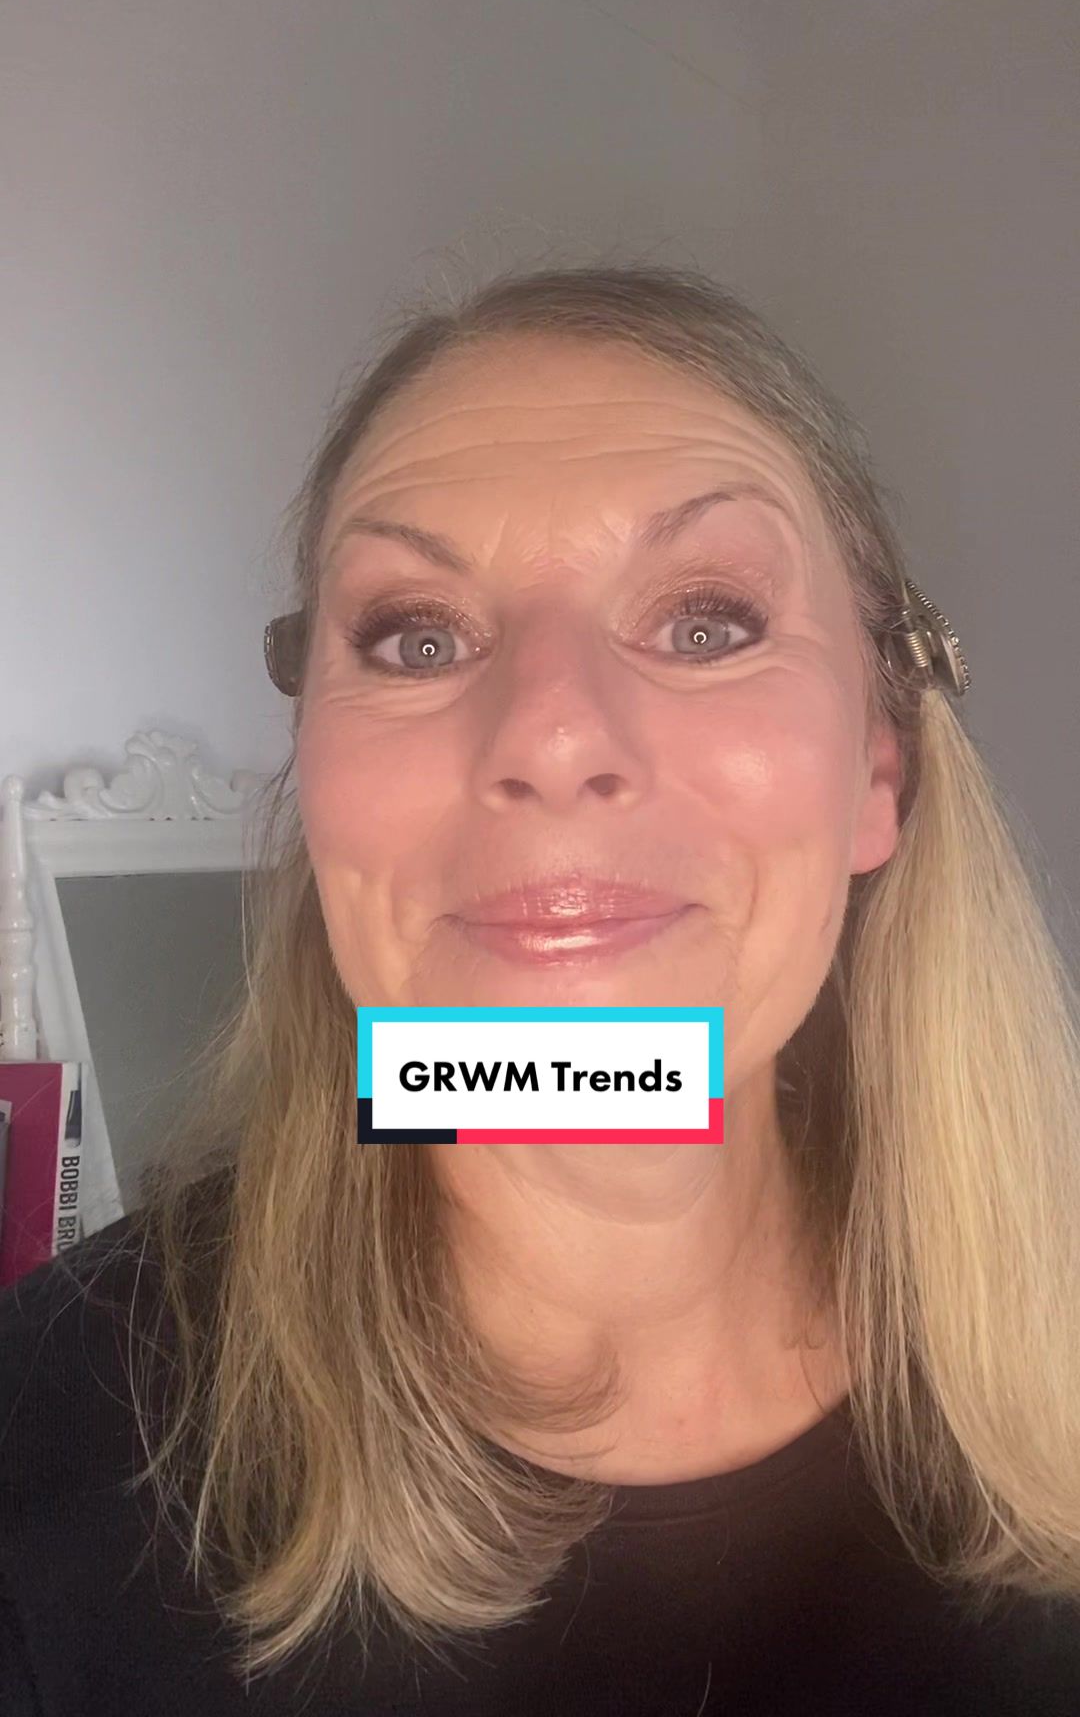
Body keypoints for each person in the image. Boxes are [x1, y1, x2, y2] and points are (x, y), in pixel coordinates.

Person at [2, 264, 1079, 1715]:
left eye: (707, 621)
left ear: (878, 772)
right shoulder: (44, 1446)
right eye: (418, 637)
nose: (553, 734)